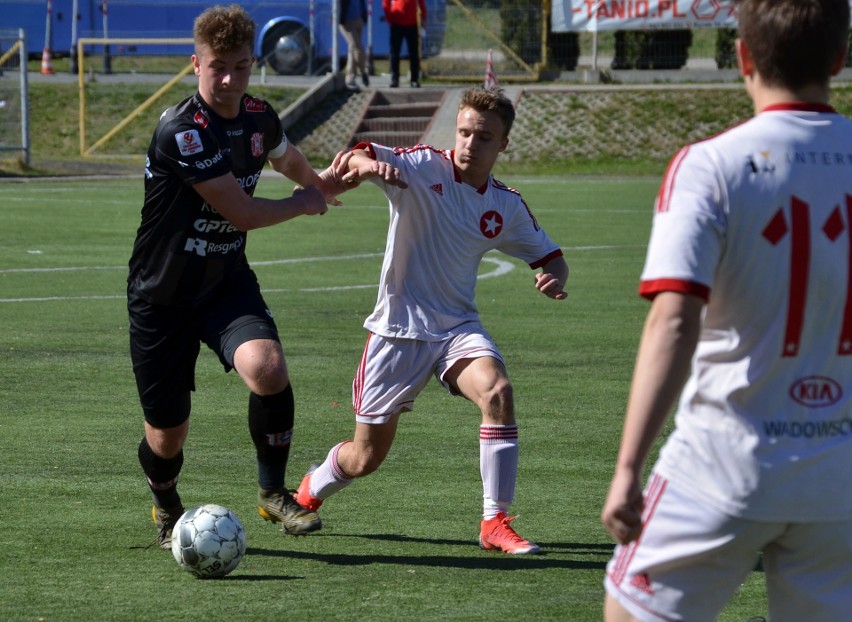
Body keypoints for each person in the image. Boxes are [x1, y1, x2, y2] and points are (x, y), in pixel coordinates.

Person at [600, 0, 852, 620]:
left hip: (720, 464)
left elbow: (675, 320)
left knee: (628, 610)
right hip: (838, 477)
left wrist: (628, 466)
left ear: (742, 57)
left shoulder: (710, 166)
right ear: (840, 60)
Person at [292, 87, 569, 555]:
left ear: (502, 145)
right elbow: (361, 155)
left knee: (498, 392)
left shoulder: (506, 206)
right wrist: (361, 168)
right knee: (365, 458)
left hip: (457, 327)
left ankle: (494, 522)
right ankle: (308, 491)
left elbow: (551, 256)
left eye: (483, 137)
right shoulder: (422, 165)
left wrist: (553, 277)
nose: (469, 144)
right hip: (396, 331)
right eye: (463, 132)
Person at [128, 4, 349, 549]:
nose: (229, 80)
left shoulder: (257, 115)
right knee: (167, 433)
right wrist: (304, 204)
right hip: (162, 295)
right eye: (218, 67)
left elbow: (286, 156)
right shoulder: (183, 131)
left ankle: (274, 493)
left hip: (225, 280)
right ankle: (166, 505)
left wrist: (321, 184)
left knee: (268, 369)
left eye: (242, 67)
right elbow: (243, 214)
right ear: (195, 64)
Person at [383, 0, 426, 87]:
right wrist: (389, 17)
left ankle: (414, 79)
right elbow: (386, 3)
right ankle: (395, 79)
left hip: (412, 23)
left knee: (414, 53)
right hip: (396, 23)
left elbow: (421, 2)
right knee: (395, 53)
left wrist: (423, 18)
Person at [339, 0, 369, 90]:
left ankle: (350, 78)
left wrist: (364, 15)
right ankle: (363, 72)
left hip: (358, 19)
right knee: (358, 49)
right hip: (347, 21)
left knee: (352, 49)